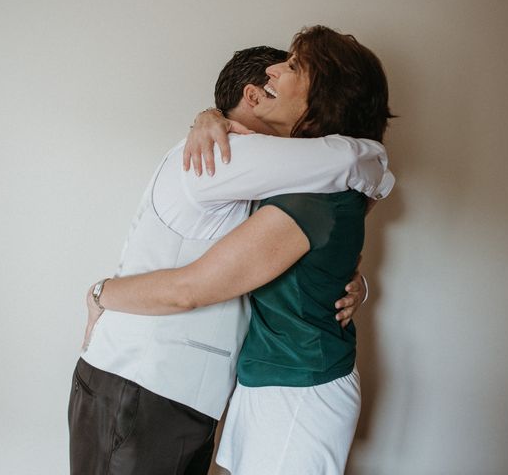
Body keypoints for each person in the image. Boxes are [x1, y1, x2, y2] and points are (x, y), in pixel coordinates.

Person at [70, 44, 393, 474]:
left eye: (293, 68)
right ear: (254, 97)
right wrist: (101, 292)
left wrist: (352, 281)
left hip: (182, 394)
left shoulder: (281, 178)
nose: (281, 73)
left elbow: (342, 210)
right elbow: (359, 162)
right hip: (139, 385)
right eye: (277, 72)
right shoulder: (221, 155)